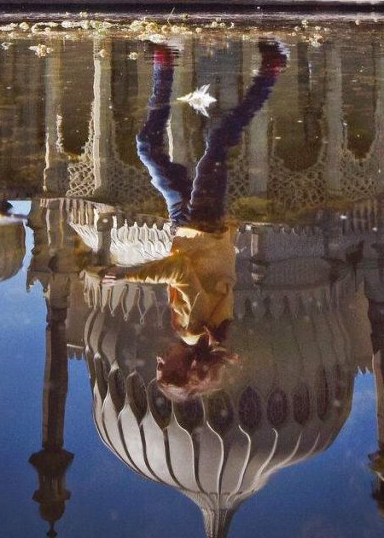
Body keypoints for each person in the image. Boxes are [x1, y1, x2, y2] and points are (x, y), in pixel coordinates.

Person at [103, 38, 285, 401]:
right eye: (163, 368)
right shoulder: (190, 331)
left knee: (149, 149)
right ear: (183, 366)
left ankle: (165, 62)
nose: (157, 361)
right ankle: (268, 74)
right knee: (217, 142)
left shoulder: (211, 332)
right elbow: (181, 271)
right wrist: (127, 275)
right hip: (199, 225)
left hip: (189, 226)